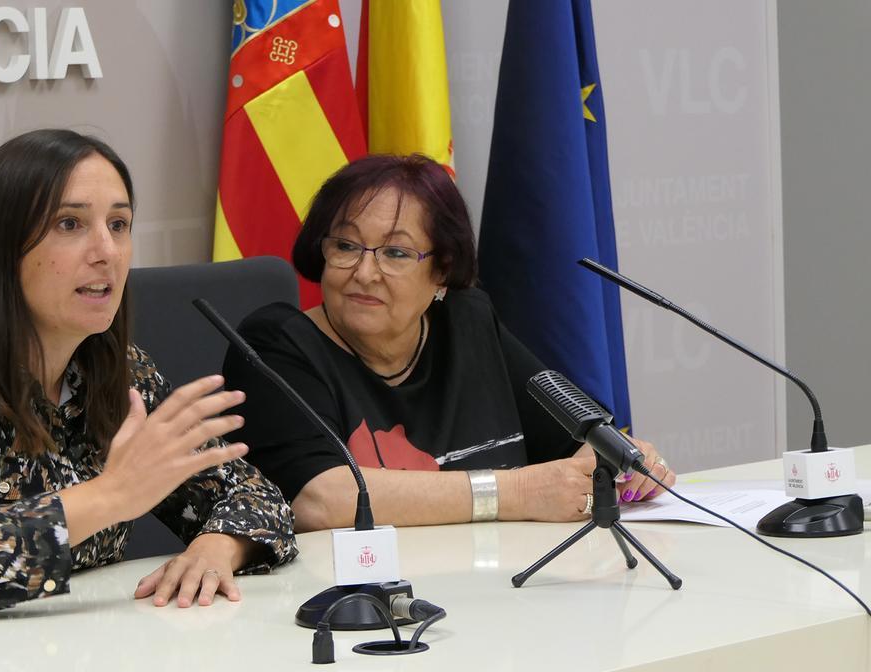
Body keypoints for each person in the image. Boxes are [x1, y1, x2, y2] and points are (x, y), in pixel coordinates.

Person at [0, 129, 297, 623]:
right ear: (2, 248)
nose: (106, 251)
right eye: (70, 224)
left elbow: (256, 497)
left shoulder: (119, 371)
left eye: (119, 224)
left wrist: (217, 547)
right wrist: (108, 497)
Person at [222, 154, 675, 532]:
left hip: (495, 598)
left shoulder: (467, 321)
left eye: (396, 253)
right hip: (355, 610)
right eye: (345, 246)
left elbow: (578, 438)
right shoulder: (277, 346)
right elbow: (320, 501)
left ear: (442, 270)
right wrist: (516, 492)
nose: (364, 272)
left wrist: (618, 460)